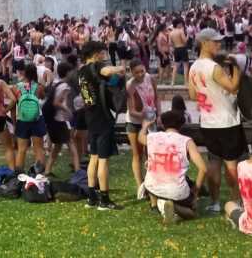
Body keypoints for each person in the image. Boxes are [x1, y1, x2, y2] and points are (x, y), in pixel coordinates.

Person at [188, 28, 243, 214]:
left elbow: (192, 94)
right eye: (215, 42)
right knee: (231, 164)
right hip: (226, 121)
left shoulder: (194, 67)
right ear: (204, 43)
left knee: (214, 162)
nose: (219, 45)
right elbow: (234, 88)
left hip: (208, 122)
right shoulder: (214, 67)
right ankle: (235, 200)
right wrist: (236, 67)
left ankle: (215, 202)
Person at [77, 41, 127, 210]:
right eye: (101, 52)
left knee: (94, 157)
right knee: (104, 160)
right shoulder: (96, 66)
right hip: (102, 117)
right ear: (96, 53)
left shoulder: (81, 71)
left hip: (90, 116)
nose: (103, 55)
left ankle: (92, 197)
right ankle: (104, 200)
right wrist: (120, 68)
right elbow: (106, 71)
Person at [139, 110, 207, 224]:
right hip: (177, 190)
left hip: (152, 187)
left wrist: (145, 126)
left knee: (151, 169)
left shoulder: (153, 137)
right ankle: (174, 207)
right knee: (192, 213)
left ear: (163, 124)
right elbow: (203, 169)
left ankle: (157, 204)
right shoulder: (187, 141)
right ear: (181, 125)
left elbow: (141, 137)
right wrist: (195, 193)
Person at [125, 59, 161, 198]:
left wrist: (159, 115)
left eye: (142, 71)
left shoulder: (150, 78)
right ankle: (141, 186)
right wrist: (144, 115)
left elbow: (157, 98)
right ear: (131, 72)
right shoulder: (130, 86)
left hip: (151, 121)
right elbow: (132, 110)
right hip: (135, 122)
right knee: (137, 154)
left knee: (150, 153)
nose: (140, 74)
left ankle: (151, 183)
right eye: (136, 72)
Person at [13, 63, 47, 173]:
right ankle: (39, 174)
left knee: (21, 149)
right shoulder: (39, 87)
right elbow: (42, 97)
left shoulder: (17, 86)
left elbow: (16, 102)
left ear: (25, 72)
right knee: (38, 148)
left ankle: (19, 173)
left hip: (22, 119)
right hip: (37, 119)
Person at [44, 62, 76, 176]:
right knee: (71, 144)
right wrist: (68, 111)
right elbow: (57, 102)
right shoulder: (65, 86)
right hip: (60, 119)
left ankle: (48, 170)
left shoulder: (55, 82)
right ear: (68, 72)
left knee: (57, 146)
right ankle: (78, 170)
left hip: (53, 119)